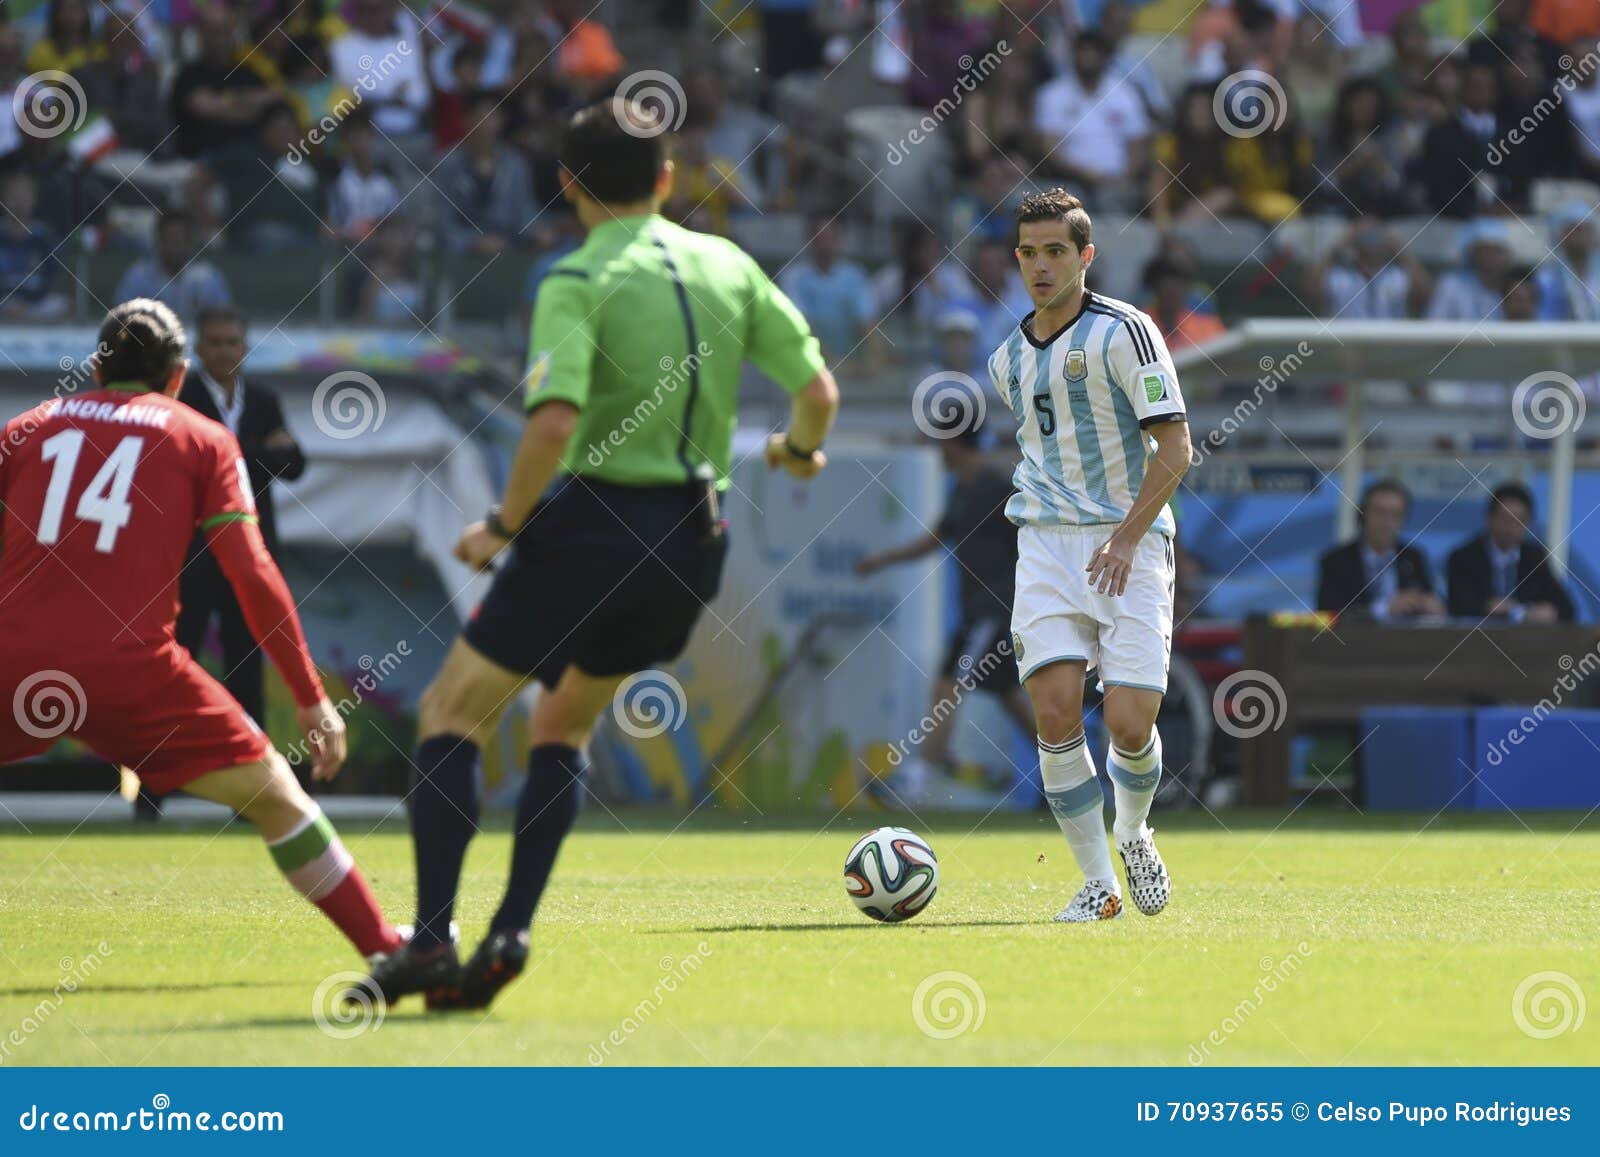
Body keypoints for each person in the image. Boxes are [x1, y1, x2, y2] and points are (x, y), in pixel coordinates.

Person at [358, 97, 839, 1010]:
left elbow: (553, 422)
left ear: (568, 185)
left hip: (594, 524)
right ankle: (512, 927)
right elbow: (817, 389)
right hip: (695, 543)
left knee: (451, 713)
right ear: (667, 179)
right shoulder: (728, 264)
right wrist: (800, 452)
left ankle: (428, 942)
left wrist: (500, 525)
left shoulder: (574, 276)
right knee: (562, 725)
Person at [0, 299, 399, 964]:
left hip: (13, 659)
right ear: (179, 376)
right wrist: (309, 695)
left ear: (98, 366)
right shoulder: (202, 437)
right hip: (134, 670)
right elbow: (253, 573)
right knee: (277, 798)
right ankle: (387, 948)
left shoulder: (24, 428)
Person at [987, 189, 1189, 923]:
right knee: (1054, 710)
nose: (1041, 267)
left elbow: (1175, 446)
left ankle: (1133, 830)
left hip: (1128, 542)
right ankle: (1098, 883)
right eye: (1029, 253)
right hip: (1043, 544)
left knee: (1131, 723)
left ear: (1086, 257)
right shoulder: (1006, 358)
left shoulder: (1127, 333)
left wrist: (1129, 535)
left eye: (1056, 252)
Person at [133, 308, 307, 820]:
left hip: (249, 553)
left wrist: (241, 455)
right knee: (174, 666)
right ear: (197, 350)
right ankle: (151, 794)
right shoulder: (182, 398)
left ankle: (250, 797)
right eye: (216, 342)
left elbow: (297, 463)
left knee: (247, 672)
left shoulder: (266, 399)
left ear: (245, 346)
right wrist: (258, 454)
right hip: (190, 558)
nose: (226, 351)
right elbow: (179, 465)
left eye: (234, 341)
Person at [855, 424, 1034, 803]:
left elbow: (1032, 533)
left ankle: (915, 784)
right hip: (976, 613)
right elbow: (937, 538)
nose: (937, 450)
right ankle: (1077, 773)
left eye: (941, 442)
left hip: (993, 611)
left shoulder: (996, 487)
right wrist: (883, 560)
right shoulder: (963, 491)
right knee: (1009, 699)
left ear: (955, 443)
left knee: (947, 689)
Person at [1316, 479, 1445, 619]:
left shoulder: (1413, 557)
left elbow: (1431, 600)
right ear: (1363, 514)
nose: (1387, 522)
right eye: (1379, 512)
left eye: (1395, 514)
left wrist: (1432, 606)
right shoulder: (1336, 560)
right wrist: (1384, 609)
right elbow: (1328, 615)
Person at [1446, 483, 1574, 623]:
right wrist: (1491, 608)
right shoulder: (1464, 557)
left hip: (1524, 640)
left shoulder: (1535, 557)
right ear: (1490, 518)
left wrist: (1544, 611)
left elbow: (1567, 609)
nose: (1512, 527)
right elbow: (1458, 608)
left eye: (1520, 520)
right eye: (1506, 519)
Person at [113, 211, 234, 325]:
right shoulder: (138, 276)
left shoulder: (208, 278)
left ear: (190, 242)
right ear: (158, 241)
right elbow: (122, 320)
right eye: (168, 240)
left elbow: (223, 322)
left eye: (179, 240)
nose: (173, 247)